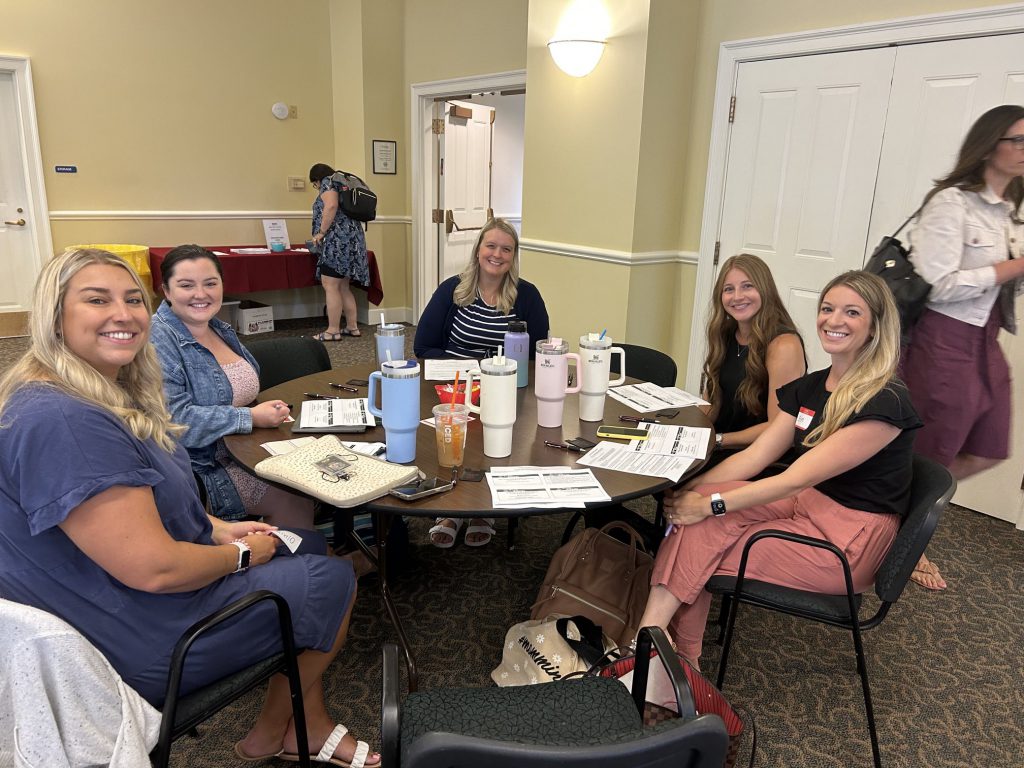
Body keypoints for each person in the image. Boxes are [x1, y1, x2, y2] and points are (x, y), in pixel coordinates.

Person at [0, 248, 380, 767]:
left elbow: (137, 503)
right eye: (97, 300)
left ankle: (305, 726)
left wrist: (216, 527)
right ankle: (275, 729)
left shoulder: (89, 392)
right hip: (130, 630)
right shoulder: (65, 420)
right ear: (54, 316)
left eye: (133, 298)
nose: (125, 313)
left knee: (308, 543)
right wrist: (244, 557)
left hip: (113, 586)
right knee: (333, 579)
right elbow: (154, 569)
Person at [637, 271, 922, 667]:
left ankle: (657, 655)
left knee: (699, 535)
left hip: (846, 541)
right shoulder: (814, 386)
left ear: (875, 327)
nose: (834, 321)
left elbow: (793, 477)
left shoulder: (884, 401)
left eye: (851, 312)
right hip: (803, 504)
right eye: (827, 309)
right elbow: (756, 458)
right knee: (696, 514)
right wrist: (692, 488)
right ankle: (658, 653)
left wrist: (711, 506)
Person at [902, 104, 1024, 590]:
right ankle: (909, 541)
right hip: (942, 339)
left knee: (992, 447)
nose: (1023, 152)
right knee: (931, 450)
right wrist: (1012, 268)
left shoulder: (1011, 211)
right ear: (989, 144)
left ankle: (902, 513)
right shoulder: (952, 203)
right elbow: (938, 284)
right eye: (1017, 140)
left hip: (985, 338)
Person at [150, 244, 314, 528]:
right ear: (166, 290)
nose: (201, 294)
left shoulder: (218, 328)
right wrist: (249, 417)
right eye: (186, 285)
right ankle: (310, 565)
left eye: (210, 283)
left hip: (245, 446)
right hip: (204, 467)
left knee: (327, 464)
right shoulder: (159, 338)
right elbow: (173, 420)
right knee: (293, 491)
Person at [414, 218, 549, 547]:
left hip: (506, 387)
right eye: (491, 246)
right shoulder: (453, 289)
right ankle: (452, 509)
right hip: (455, 384)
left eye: (506, 249)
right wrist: (472, 366)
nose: (497, 254)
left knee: (497, 442)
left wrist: (498, 372)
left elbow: (538, 352)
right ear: (478, 251)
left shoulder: (527, 296)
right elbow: (423, 347)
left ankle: (482, 509)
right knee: (454, 443)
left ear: (513, 256)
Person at [701, 254, 806, 459]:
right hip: (721, 444)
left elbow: (778, 427)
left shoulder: (783, 344)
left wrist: (718, 440)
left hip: (759, 454)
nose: (737, 296)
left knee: (677, 486)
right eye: (728, 289)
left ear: (765, 290)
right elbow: (711, 402)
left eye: (747, 286)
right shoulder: (725, 334)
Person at [309, 162, 370, 340]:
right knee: (343, 286)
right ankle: (352, 327)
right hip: (353, 240)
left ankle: (332, 330)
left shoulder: (328, 183)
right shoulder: (343, 183)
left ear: (317, 179)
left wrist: (321, 232)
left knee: (330, 285)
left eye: (315, 184)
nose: (316, 188)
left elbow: (331, 206)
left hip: (337, 242)